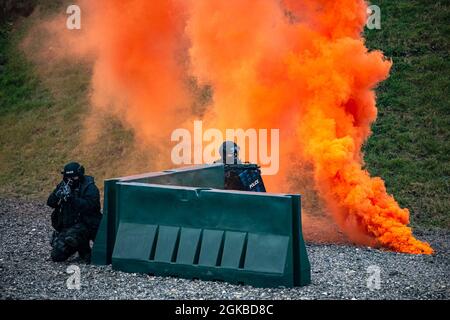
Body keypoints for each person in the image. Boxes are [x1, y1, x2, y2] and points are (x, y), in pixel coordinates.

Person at [47, 162, 101, 263]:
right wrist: (57, 195)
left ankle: (85, 252)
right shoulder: (63, 185)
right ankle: (79, 249)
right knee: (56, 256)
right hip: (69, 226)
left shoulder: (89, 187)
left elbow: (90, 206)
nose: (70, 180)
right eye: (68, 178)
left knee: (73, 236)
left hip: (87, 224)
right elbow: (50, 203)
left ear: (80, 175)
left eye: (74, 177)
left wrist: (71, 198)